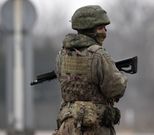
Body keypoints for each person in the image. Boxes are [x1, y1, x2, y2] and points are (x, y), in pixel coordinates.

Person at [53, 5, 127, 135]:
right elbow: (116, 89)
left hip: (67, 127)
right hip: (95, 127)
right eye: (100, 28)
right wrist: (119, 75)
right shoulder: (99, 55)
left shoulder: (62, 54)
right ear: (90, 31)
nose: (105, 31)